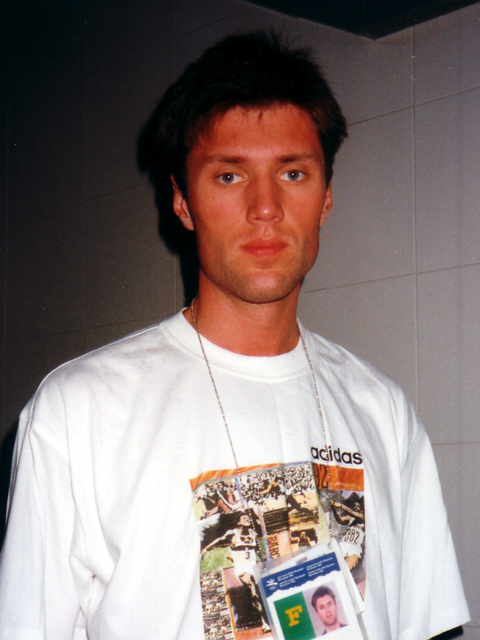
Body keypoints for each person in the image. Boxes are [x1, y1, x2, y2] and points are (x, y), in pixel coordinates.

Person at [0, 31, 470, 640]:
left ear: (326, 196)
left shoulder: (383, 410)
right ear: (182, 201)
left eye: (293, 172)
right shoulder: (78, 412)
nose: (265, 207)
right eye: (228, 176)